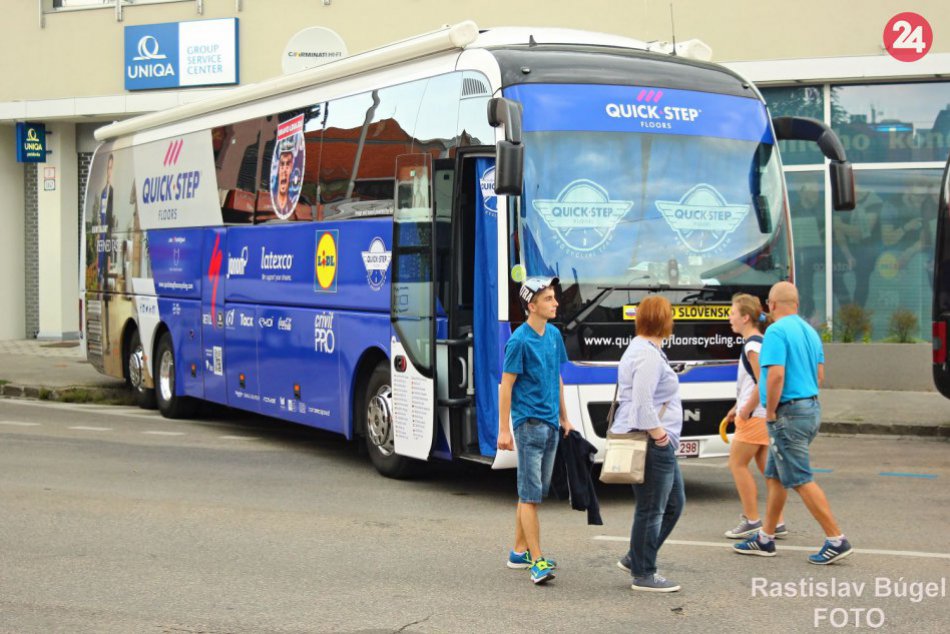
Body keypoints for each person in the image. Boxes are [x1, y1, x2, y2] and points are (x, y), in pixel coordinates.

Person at [734, 281, 853, 564]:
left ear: (771, 305)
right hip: (810, 407)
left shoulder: (775, 331)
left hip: (787, 412)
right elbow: (820, 375)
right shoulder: (810, 331)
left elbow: (775, 375)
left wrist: (772, 412)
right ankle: (766, 537)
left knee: (799, 478)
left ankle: (836, 539)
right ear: (796, 304)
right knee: (775, 476)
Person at [497, 276, 575, 585]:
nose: (555, 303)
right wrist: (504, 430)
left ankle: (519, 551)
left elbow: (556, 378)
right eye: (548, 299)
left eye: (554, 298)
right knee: (530, 496)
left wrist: (565, 417)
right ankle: (537, 560)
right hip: (527, 424)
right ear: (532, 306)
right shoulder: (519, 340)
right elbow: (507, 386)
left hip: (550, 423)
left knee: (533, 492)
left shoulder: (553, 335)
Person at [613, 295, 684, 592]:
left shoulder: (644, 349)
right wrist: (661, 436)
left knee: (673, 504)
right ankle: (644, 573)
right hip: (652, 443)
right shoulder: (648, 355)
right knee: (652, 509)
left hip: (654, 442)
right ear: (664, 321)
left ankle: (636, 556)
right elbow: (642, 405)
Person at [723, 294, 787, 540]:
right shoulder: (758, 342)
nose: (730, 318)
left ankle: (752, 519)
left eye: (732, 314)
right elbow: (753, 383)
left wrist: (746, 409)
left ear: (745, 317)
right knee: (765, 468)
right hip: (759, 413)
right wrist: (736, 406)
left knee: (737, 464)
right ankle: (776, 522)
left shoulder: (752, 345)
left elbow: (762, 383)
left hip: (755, 415)